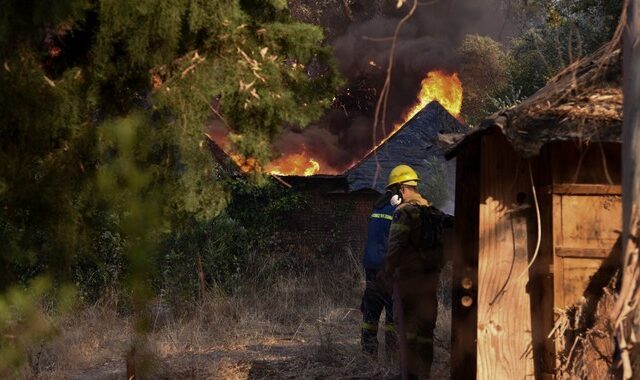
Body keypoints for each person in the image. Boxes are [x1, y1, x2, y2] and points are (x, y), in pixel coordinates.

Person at [382, 164, 452, 379]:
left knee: (407, 330)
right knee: (425, 332)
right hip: (430, 279)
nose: (392, 196)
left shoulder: (404, 212)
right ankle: (424, 374)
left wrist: (386, 271)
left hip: (409, 281)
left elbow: (396, 246)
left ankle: (409, 375)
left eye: (393, 191)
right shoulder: (432, 211)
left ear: (401, 189)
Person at [360, 189, 398, 357]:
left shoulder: (377, 208)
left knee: (371, 312)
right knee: (392, 314)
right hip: (387, 270)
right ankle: (391, 355)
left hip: (370, 267)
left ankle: (368, 354)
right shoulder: (398, 211)